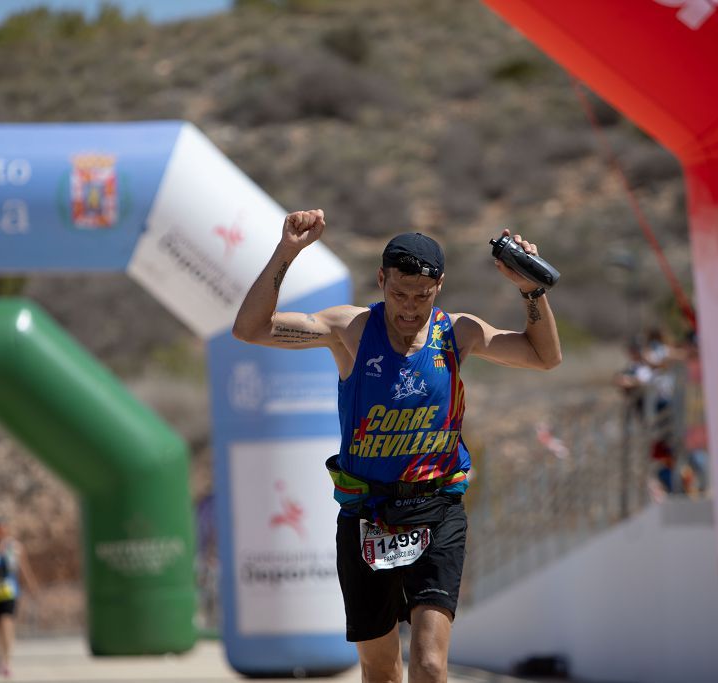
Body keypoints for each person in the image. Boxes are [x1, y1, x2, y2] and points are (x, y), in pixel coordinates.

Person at [232, 210, 561, 683]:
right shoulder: (351, 330)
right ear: (381, 279)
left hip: (437, 509)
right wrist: (287, 252)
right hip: (366, 514)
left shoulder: (457, 333)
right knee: (382, 670)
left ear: (440, 287)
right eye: (399, 294)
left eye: (422, 297)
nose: (409, 308)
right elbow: (250, 329)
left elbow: (545, 357)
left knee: (428, 664)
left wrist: (531, 291)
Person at [0, 516, 38, 679]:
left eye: (2, 527)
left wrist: (31, 586)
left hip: (9, 593)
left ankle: (6, 662)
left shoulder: (15, 547)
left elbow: (23, 567)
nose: (0, 531)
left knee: (7, 625)